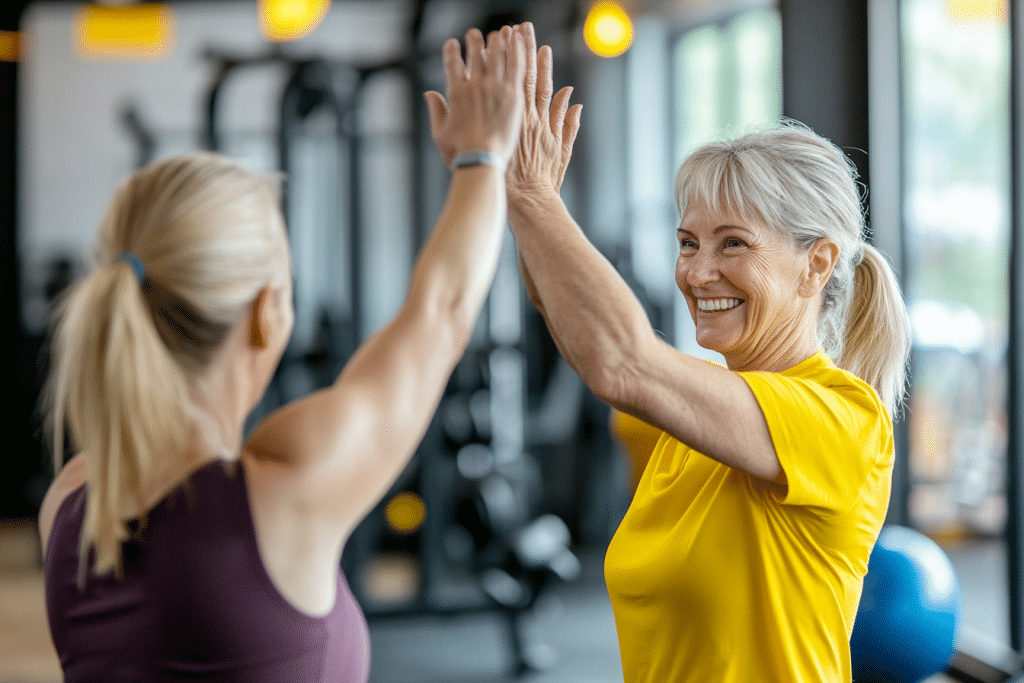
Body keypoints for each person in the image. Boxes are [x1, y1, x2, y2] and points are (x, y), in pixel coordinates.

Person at [37, 26, 525, 683]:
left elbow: (437, 317)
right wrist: (483, 155)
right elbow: (440, 314)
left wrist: (482, 161)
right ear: (268, 314)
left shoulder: (73, 500)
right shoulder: (279, 492)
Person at [505, 23, 912, 683]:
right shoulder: (668, 422)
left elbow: (619, 360)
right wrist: (510, 187)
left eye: (733, 244)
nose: (696, 273)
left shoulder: (844, 420)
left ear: (817, 264)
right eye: (689, 243)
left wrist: (531, 197)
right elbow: (571, 318)